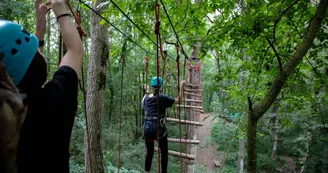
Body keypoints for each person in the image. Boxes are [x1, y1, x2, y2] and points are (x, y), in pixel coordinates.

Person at [0, 0, 83, 172]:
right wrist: (61, 9)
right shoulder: (54, 102)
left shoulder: (7, 118)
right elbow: (75, 50)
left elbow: (28, 71)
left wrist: (40, 30)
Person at [142, 77, 185, 173]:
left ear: (153, 87)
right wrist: (182, 86)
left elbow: (143, 100)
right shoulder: (163, 97)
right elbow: (179, 101)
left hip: (147, 129)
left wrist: (147, 91)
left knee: (150, 152)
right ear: (161, 87)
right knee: (164, 153)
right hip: (158, 130)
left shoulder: (147, 98)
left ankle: (146, 171)